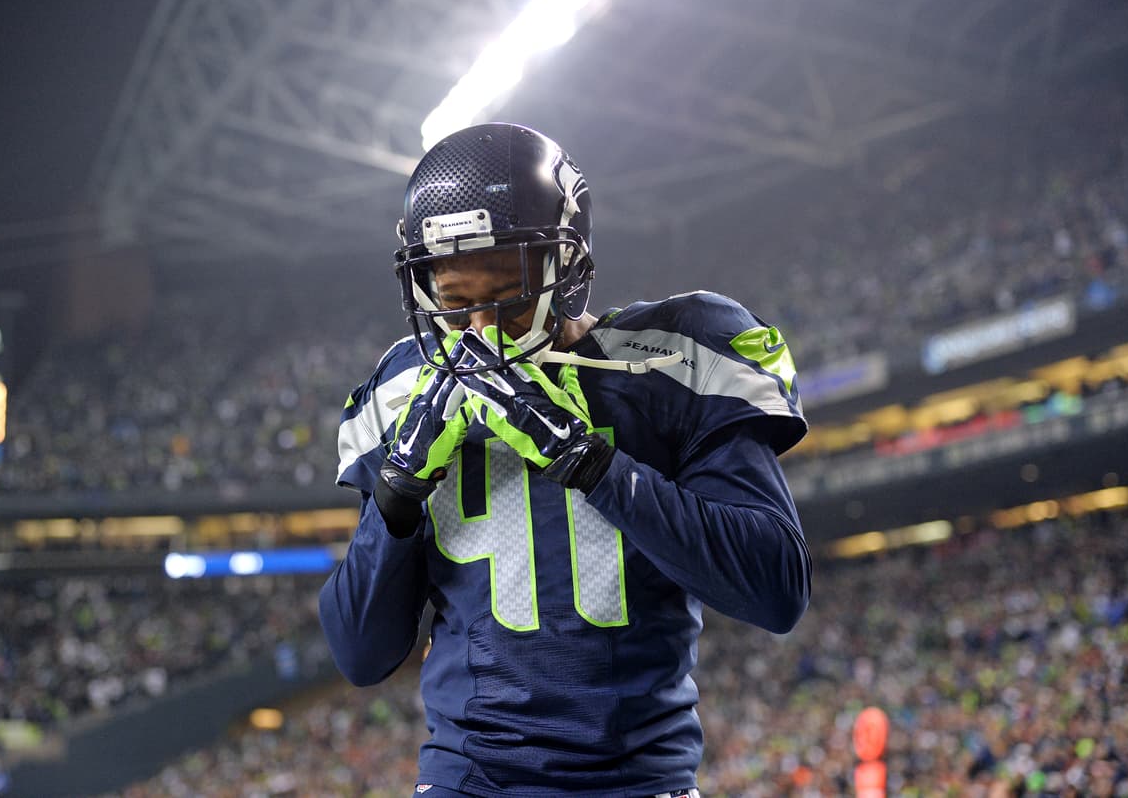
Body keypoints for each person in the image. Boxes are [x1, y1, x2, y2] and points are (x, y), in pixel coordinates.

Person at [319, 122, 811, 797]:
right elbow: (360, 652)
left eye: (507, 298)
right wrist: (397, 495)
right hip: (470, 781)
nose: (481, 332)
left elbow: (775, 588)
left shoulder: (674, 358)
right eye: (456, 305)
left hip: (641, 780)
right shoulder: (406, 390)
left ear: (567, 267)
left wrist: (589, 464)